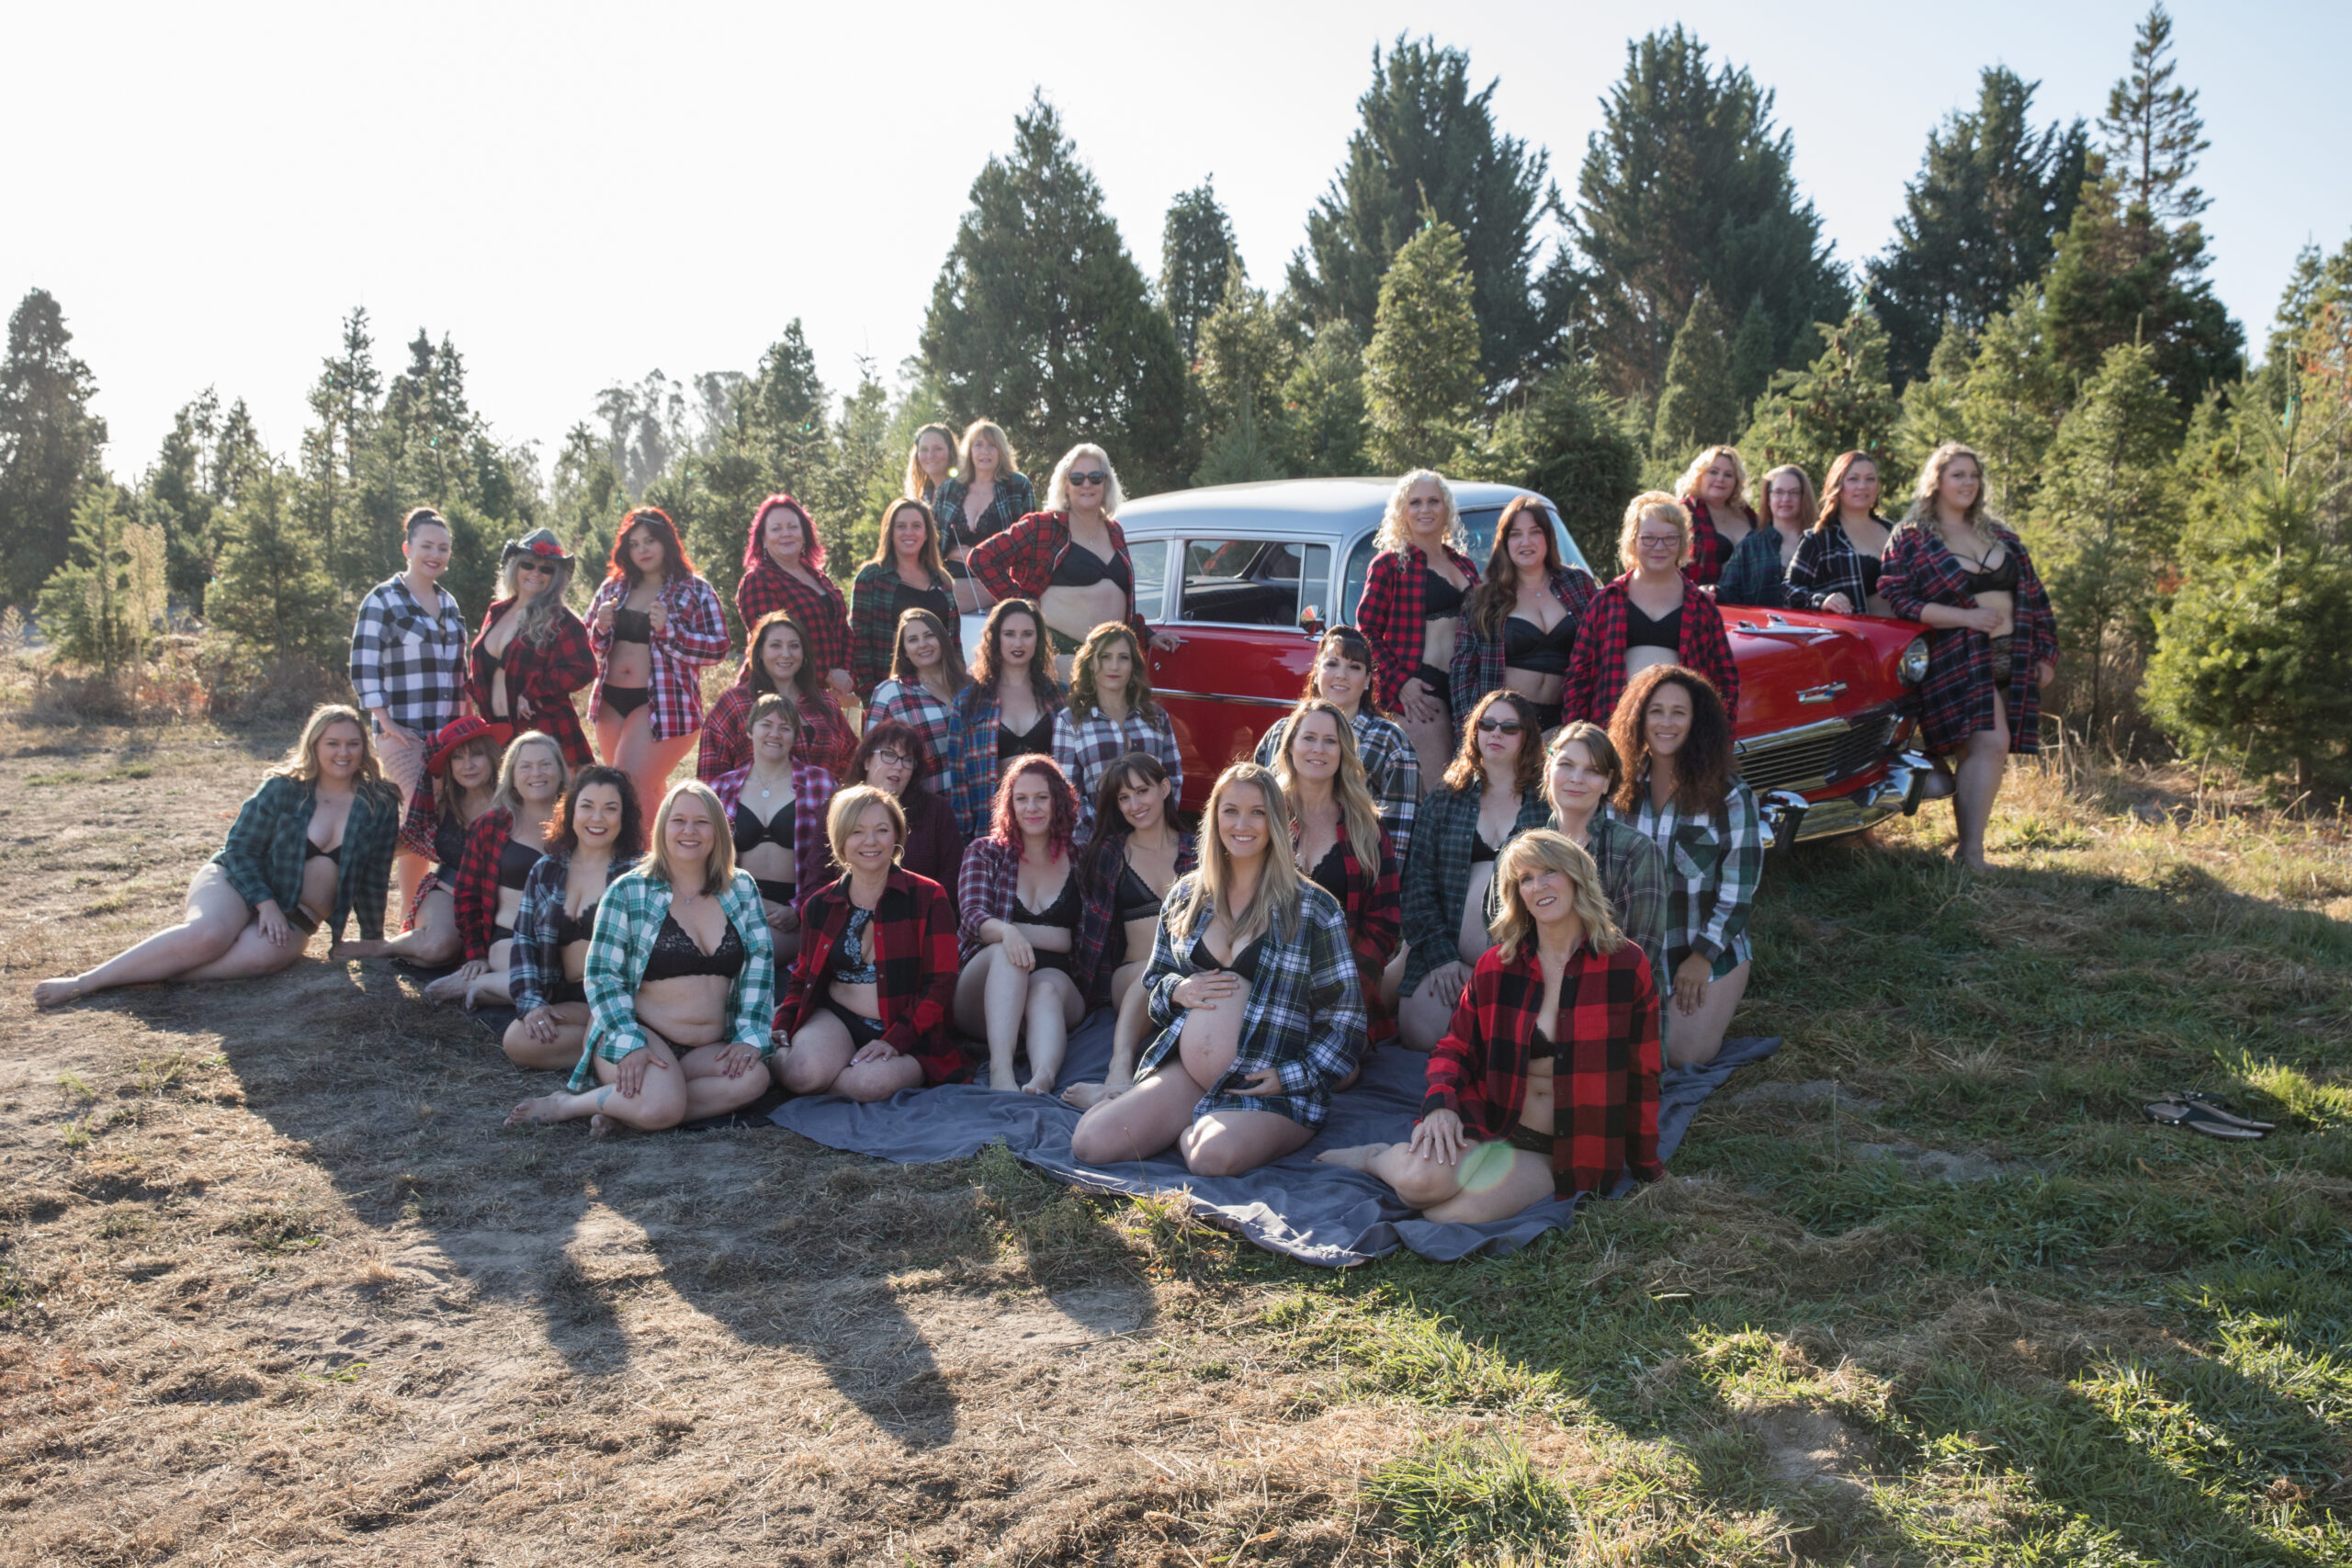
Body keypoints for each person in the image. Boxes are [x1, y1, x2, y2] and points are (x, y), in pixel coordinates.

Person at [1317, 831, 1660, 1214]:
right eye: (1525, 879)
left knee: (1445, 1217)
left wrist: (1647, 1167)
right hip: (1492, 1123)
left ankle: (1439, 1172)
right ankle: (1376, 1158)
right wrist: (1440, 1106)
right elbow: (1454, 1048)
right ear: (1517, 895)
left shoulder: (1627, 965)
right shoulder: (1497, 965)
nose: (1538, 886)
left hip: (1560, 1147)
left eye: (1549, 871)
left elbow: (1642, 1073)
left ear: (1577, 876)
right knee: (1418, 1186)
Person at [1068, 763, 1363, 1178]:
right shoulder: (1187, 895)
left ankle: (1192, 1128)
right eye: (1231, 811)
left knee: (1211, 1158)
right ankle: (1179, 1115)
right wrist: (1178, 990)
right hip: (1189, 1076)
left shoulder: (1314, 908)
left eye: (1258, 812)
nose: (1243, 824)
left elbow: (1345, 1020)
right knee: (1090, 1142)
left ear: (1277, 821)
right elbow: (1154, 982)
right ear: (1214, 816)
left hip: (1267, 1085)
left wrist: (1293, 1075)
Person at [33, 705, 402, 1007]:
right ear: (314, 745)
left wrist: (371, 938)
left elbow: (374, 876)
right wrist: (266, 903)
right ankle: (87, 981)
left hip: (298, 915)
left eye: (353, 744)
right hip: (238, 883)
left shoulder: (379, 802)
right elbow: (240, 849)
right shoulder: (282, 789)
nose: (343, 753)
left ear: (364, 748)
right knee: (208, 936)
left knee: (261, 959)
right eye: (332, 743)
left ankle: (151, 973)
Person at [505, 781, 776, 1134]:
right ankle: (569, 1104)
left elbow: (760, 965)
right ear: (662, 826)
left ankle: (630, 1110)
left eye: (702, 822)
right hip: (639, 1032)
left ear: (719, 830)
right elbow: (603, 976)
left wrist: (750, 1036)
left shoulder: (741, 888)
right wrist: (628, 1041)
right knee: (663, 1104)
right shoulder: (629, 890)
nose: (689, 831)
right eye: (678, 820)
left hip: (708, 1046)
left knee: (754, 1078)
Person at [1881, 442, 2059, 872]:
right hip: (1956, 657)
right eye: (1958, 475)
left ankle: (1968, 848)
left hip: (2013, 659)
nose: (1967, 483)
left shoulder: (2001, 535)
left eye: (1973, 476)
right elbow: (1897, 599)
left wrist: (2046, 655)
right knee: (1991, 742)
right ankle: (1973, 854)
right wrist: (1965, 617)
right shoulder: (1912, 537)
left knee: (1988, 749)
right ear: (1936, 481)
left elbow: (2036, 598)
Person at [772, 785, 966, 1101]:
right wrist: (784, 1021)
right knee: (801, 1073)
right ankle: (785, 1063)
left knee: (869, 1085)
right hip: (838, 1018)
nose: (871, 841)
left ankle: (828, 1079)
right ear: (840, 839)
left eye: (881, 830)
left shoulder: (930, 897)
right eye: (857, 832)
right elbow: (803, 977)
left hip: (908, 1029)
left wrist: (896, 1039)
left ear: (897, 836)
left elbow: (941, 983)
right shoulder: (819, 905)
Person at [1610, 665, 1759, 1068]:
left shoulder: (1728, 795)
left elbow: (1738, 891)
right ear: (1638, 717)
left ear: (1698, 721)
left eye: (1679, 712)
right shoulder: (1619, 788)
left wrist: (1703, 957)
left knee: (1682, 1055)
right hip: (1636, 951)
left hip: (1706, 948)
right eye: (1655, 710)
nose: (1666, 722)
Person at [1396, 691, 1552, 1051]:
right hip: (1446, 957)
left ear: (1527, 737)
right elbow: (1417, 885)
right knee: (1422, 1036)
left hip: (1521, 964)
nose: (1496, 733)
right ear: (1475, 732)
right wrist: (1441, 958)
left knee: (1511, 1044)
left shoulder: (1546, 806)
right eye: (1487, 724)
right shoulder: (1445, 799)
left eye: (1509, 727)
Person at [1480, 722, 1671, 1007]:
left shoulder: (1637, 852)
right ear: (1548, 770)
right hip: (1528, 1004)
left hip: (1612, 1010)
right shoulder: (1514, 853)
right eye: (1566, 765)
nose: (1577, 778)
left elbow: (1639, 958)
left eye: (1593, 770)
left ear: (1607, 782)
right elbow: (1501, 943)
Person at [967, 443, 1180, 680]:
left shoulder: (1115, 531)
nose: (1086, 485)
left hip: (1112, 661)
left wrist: (1147, 635)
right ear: (1065, 485)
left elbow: (1121, 598)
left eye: (1095, 477)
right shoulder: (1043, 526)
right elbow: (981, 558)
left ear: (1106, 483)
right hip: (1062, 659)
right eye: (1077, 478)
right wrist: (1022, 604)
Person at [1060, 752, 1195, 1112]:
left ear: (1164, 788)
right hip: (1131, 976)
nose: (1135, 804)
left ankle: (1140, 1097)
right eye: (1124, 797)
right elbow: (1090, 927)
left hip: (1188, 977)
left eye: (1142, 791)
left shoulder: (1197, 850)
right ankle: (1118, 1067)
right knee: (1149, 971)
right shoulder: (1110, 853)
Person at [348, 506, 468, 908]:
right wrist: (385, 723)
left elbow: (460, 671)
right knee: (418, 821)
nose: (435, 554)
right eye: (427, 546)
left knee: (434, 822)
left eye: (444, 548)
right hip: (403, 731)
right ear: (407, 548)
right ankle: (367, 874)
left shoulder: (448, 604)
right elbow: (363, 665)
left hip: (445, 735)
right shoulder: (383, 600)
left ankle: (415, 911)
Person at [1272, 699, 1401, 1063]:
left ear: (1344, 752)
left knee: (1339, 1074)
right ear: (1290, 745)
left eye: (1330, 741)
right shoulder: (1264, 816)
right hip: (1265, 972)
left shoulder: (1367, 828)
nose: (1318, 749)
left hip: (1343, 979)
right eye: (1309, 737)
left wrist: (1344, 984)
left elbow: (1385, 925)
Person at [955, 757, 1091, 1094]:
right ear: (1009, 804)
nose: (1032, 807)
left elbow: (1086, 939)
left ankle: (1042, 1076)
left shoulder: (1080, 858)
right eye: (1022, 798)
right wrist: (1007, 931)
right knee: (1006, 953)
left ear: (1059, 800)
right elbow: (973, 917)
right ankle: (1001, 1072)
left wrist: (1022, 930)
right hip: (984, 988)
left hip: (1055, 984)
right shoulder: (985, 853)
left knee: (1043, 989)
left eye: (1042, 797)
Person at [586, 506, 729, 815]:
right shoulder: (613, 587)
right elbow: (588, 645)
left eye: (649, 541)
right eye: (634, 544)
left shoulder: (695, 589)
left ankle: (643, 860)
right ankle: (653, 860)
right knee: (641, 790)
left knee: (627, 788)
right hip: (609, 701)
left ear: (666, 542)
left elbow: (719, 647)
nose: (642, 550)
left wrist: (670, 631)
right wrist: (600, 626)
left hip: (664, 705)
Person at [502, 767, 644, 1071]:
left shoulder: (638, 877)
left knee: (606, 1026)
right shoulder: (545, 870)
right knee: (516, 1039)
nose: (597, 818)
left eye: (610, 809)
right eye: (587, 806)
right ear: (571, 811)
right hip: (570, 1001)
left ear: (625, 817)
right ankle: (608, 1052)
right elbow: (524, 940)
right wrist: (532, 1005)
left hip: (623, 1000)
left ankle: (611, 1045)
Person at [1560, 493, 1740, 728]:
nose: (1659, 547)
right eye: (1649, 538)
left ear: (1683, 543)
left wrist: (1718, 739)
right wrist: (1577, 736)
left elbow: (1725, 681)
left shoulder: (1702, 607)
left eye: (1669, 539)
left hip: (1684, 736)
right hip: (1614, 733)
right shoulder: (1605, 602)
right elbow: (1578, 679)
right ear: (1633, 541)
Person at [341, 716, 503, 965]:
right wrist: (351, 845)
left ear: (492, 756)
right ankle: (382, 946)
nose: (467, 765)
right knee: (436, 949)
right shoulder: (443, 806)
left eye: (477, 755)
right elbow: (407, 842)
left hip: (504, 898)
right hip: (449, 891)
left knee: (498, 958)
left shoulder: (512, 802)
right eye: (457, 758)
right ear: (448, 765)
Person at [1255, 626, 1421, 863]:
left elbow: (1399, 838)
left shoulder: (1390, 742)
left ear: (1367, 681)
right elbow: (1254, 808)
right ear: (1316, 671)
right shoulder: (1279, 733)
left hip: (1352, 878)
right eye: (1332, 664)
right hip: (1276, 872)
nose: (1341, 675)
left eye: (1354, 667)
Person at [427, 729, 568, 1009]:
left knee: (574, 986)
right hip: (509, 937)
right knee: (545, 987)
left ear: (561, 770)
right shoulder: (493, 824)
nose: (536, 773)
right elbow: (467, 894)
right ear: (512, 776)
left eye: (545, 764)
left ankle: (489, 988)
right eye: (525, 766)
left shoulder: (579, 821)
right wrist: (477, 954)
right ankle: (476, 981)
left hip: (563, 938)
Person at [1357, 469, 1479, 791]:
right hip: (1420, 697)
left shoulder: (1464, 564)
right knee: (1431, 796)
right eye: (1416, 502)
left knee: (1463, 795)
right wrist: (1401, 684)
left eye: (1433, 501)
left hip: (1464, 694)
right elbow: (1366, 633)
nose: (1425, 509)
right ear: (1403, 511)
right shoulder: (1389, 565)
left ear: (1446, 509)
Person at [708, 693, 836, 967]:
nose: (774, 734)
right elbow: (706, 861)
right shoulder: (720, 789)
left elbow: (836, 861)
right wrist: (751, 905)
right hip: (734, 906)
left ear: (794, 736)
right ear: (749, 729)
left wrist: (798, 909)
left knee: (749, 955)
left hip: (796, 913)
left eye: (785, 728)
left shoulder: (821, 784)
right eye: (766, 724)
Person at [1449, 495, 1596, 733]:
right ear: (1504, 542)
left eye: (1535, 532)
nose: (1525, 542)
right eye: (1515, 534)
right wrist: (1470, 735)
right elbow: (1462, 676)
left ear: (1548, 537)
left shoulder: (1578, 584)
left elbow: (1599, 653)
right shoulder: (1483, 599)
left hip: (1567, 721)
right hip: (1505, 726)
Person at [468, 528, 596, 767]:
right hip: (497, 733)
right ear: (515, 566)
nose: (536, 573)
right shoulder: (497, 611)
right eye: (528, 565)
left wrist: (535, 690)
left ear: (555, 576)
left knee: (554, 803)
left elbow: (584, 668)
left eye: (546, 568)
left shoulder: (562, 621)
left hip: (543, 732)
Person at [942, 598, 1064, 840]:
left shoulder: (1059, 696)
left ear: (1039, 639)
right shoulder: (968, 703)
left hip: (1052, 825)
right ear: (995, 639)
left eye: (1027, 634)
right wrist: (967, 839)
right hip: (993, 828)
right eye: (1009, 634)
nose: (1018, 643)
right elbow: (959, 778)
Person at [1052, 621, 1183, 837]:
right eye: (1105, 657)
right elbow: (1067, 792)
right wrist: (1103, 834)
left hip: (1153, 839)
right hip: (1095, 841)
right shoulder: (1069, 721)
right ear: (1091, 663)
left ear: (1133, 665)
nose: (1114, 666)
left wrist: (1155, 826)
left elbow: (1174, 779)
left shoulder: (1157, 716)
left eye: (1123, 657)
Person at [699, 610, 856, 783]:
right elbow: (710, 778)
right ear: (759, 652)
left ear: (804, 654)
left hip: (819, 807)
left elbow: (852, 762)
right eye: (775, 645)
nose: (786, 654)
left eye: (794, 646)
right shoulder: (734, 704)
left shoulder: (826, 704)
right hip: (751, 807)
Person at [733, 493, 854, 706]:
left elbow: (843, 632)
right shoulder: (758, 581)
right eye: (776, 528)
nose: (785, 534)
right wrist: (828, 675)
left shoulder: (820, 578)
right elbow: (774, 648)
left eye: (792, 527)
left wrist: (843, 677)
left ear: (804, 533)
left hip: (827, 697)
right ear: (762, 538)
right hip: (775, 699)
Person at [849, 498, 958, 700]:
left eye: (916, 526)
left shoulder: (942, 580)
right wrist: (870, 696)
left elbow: (954, 643)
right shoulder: (871, 578)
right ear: (890, 533)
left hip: (942, 690)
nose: (909, 532)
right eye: (901, 526)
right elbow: (858, 644)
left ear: (927, 534)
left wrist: (959, 688)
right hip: (890, 692)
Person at [847, 719, 964, 892]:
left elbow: (953, 879)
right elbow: (818, 879)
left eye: (907, 759)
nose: (899, 766)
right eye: (889, 754)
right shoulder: (839, 809)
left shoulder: (937, 811)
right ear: (867, 761)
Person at [933, 418, 1034, 611]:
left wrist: (973, 555)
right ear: (969, 451)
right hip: (951, 577)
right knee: (928, 595)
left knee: (938, 601)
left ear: (1002, 451)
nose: (985, 451)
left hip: (997, 580)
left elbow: (1028, 544)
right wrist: (956, 553)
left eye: (992, 446)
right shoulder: (949, 489)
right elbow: (933, 541)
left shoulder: (1017, 486)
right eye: (978, 445)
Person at [865, 607, 970, 784]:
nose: (923, 644)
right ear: (904, 651)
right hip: (924, 806)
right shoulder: (889, 694)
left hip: (978, 802)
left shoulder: (971, 687)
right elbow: (873, 760)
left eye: (929, 635)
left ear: (943, 639)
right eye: (913, 640)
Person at [1788, 451, 1896, 616]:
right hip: (1856, 637)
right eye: (1853, 479)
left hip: (1910, 637)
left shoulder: (1895, 532)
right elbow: (1789, 590)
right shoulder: (1820, 538)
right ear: (1837, 485)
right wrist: (1822, 600)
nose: (1862, 486)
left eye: (1870, 479)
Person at [1716, 465, 1815, 609]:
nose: (1786, 499)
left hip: (1815, 629)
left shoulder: (1820, 542)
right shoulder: (1750, 545)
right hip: (1763, 630)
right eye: (1778, 492)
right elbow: (1728, 593)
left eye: (1794, 492)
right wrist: (1712, 591)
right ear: (1768, 499)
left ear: (1804, 497)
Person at [1676, 446, 1758, 589]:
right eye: (1713, 472)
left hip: (1751, 605)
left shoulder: (1748, 514)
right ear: (1699, 475)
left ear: (1736, 482)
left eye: (1728, 475)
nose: (1720, 479)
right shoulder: (1682, 512)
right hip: (1701, 604)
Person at [904, 422, 957, 510]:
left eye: (938, 449)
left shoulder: (960, 492)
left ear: (951, 452)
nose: (930, 456)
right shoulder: (922, 494)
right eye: (924, 449)